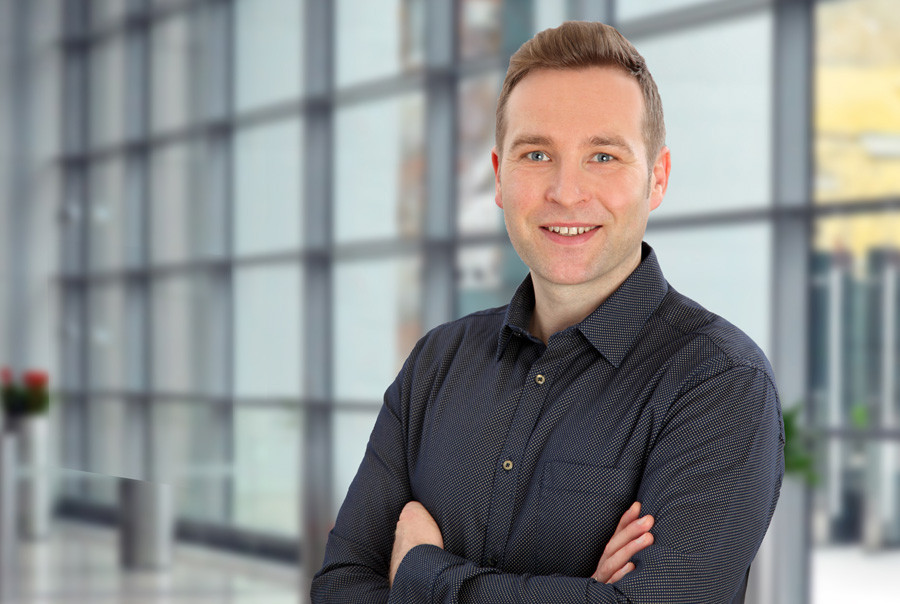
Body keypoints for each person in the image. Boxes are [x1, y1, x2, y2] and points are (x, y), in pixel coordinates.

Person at [311, 20, 784, 603]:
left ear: (656, 179)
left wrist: (422, 574)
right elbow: (339, 585)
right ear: (499, 176)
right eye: (536, 154)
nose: (565, 191)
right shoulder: (438, 361)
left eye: (603, 156)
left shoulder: (719, 382)